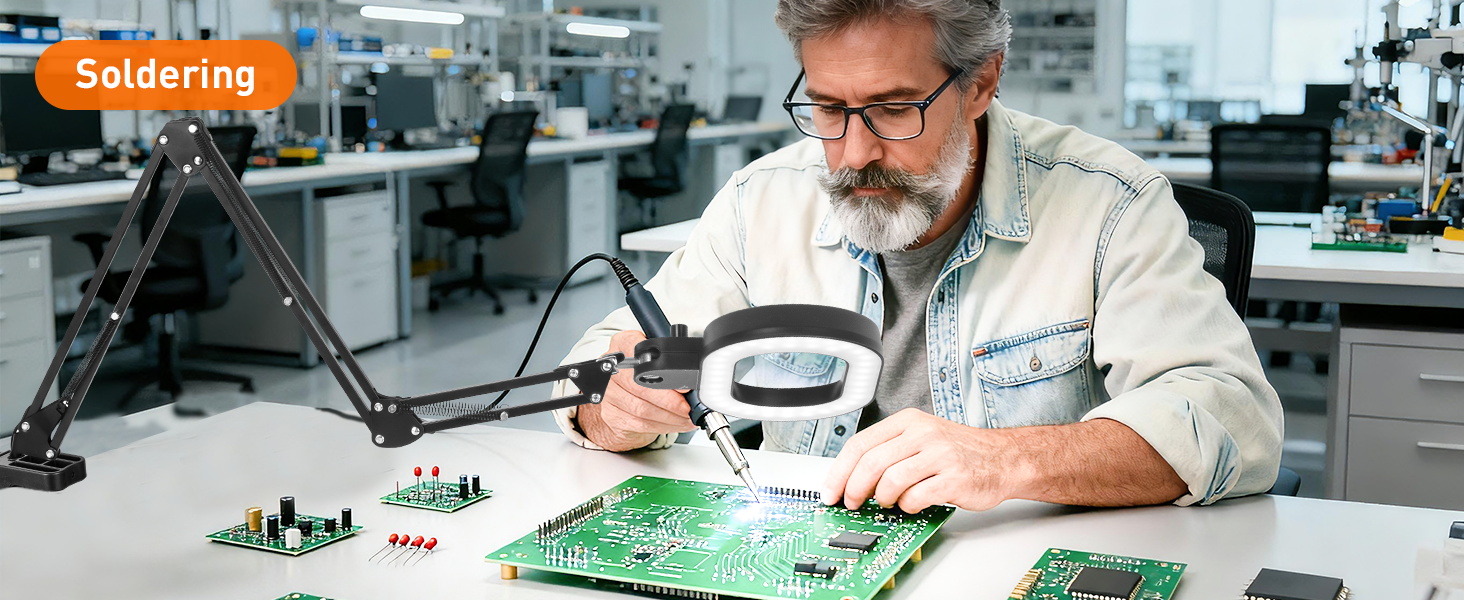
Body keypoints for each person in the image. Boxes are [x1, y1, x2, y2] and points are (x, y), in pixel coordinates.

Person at [550, 0, 1282, 513]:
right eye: (830, 109)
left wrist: (1010, 460)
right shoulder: (762, 202)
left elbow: (1231, 419)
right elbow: (601, 365)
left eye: (895, 109)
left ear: (982, 83)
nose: (854, 153)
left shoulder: (1111, 203)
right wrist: (615, 407)